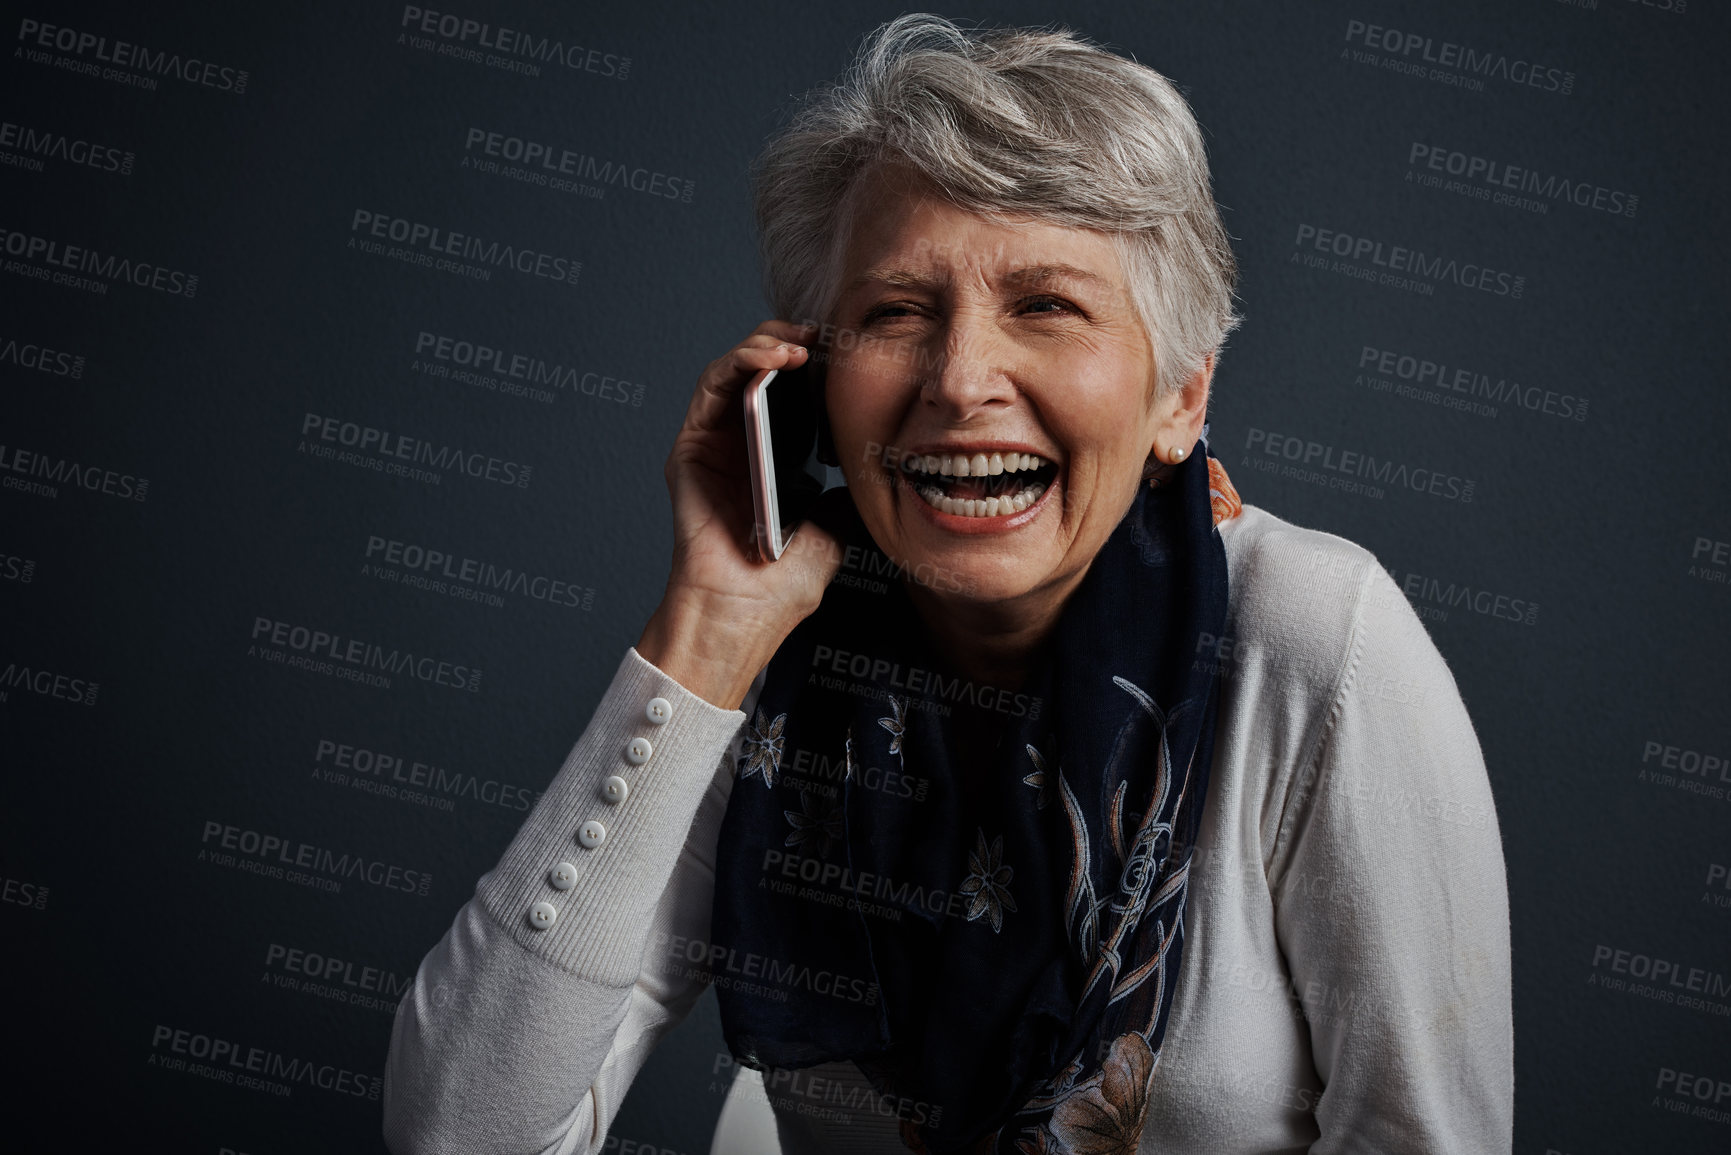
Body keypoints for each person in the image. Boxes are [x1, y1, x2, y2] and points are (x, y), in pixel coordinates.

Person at [382, 14, 1512, 1155]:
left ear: (1180, 399)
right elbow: (463, 1138)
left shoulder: (1315, 639)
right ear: (814, 384)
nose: (962, 380)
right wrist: (703, 637)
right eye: (895, 313)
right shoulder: (776, 653)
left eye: (1047, 306)